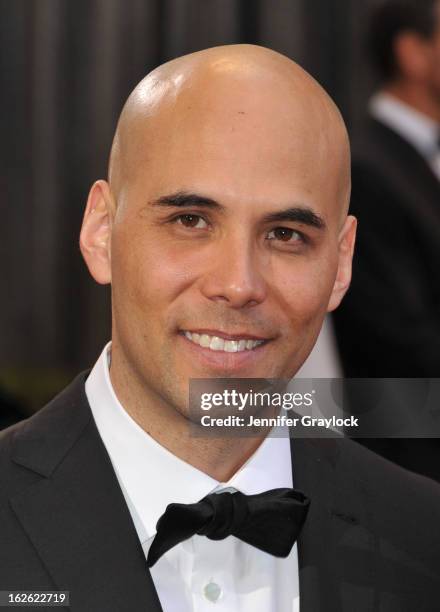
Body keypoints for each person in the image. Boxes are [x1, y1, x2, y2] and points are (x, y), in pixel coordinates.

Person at [0, 44, 439, 611]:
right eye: (190, 220)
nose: (238, 284)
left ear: (342, 263)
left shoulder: (424, 541)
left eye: (285, 234)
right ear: (102, 232)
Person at [333, 0, 440, 481]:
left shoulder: (414, 161)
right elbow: (399, 341)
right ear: (413, 53)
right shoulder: (366, 168)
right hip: (410, 465)